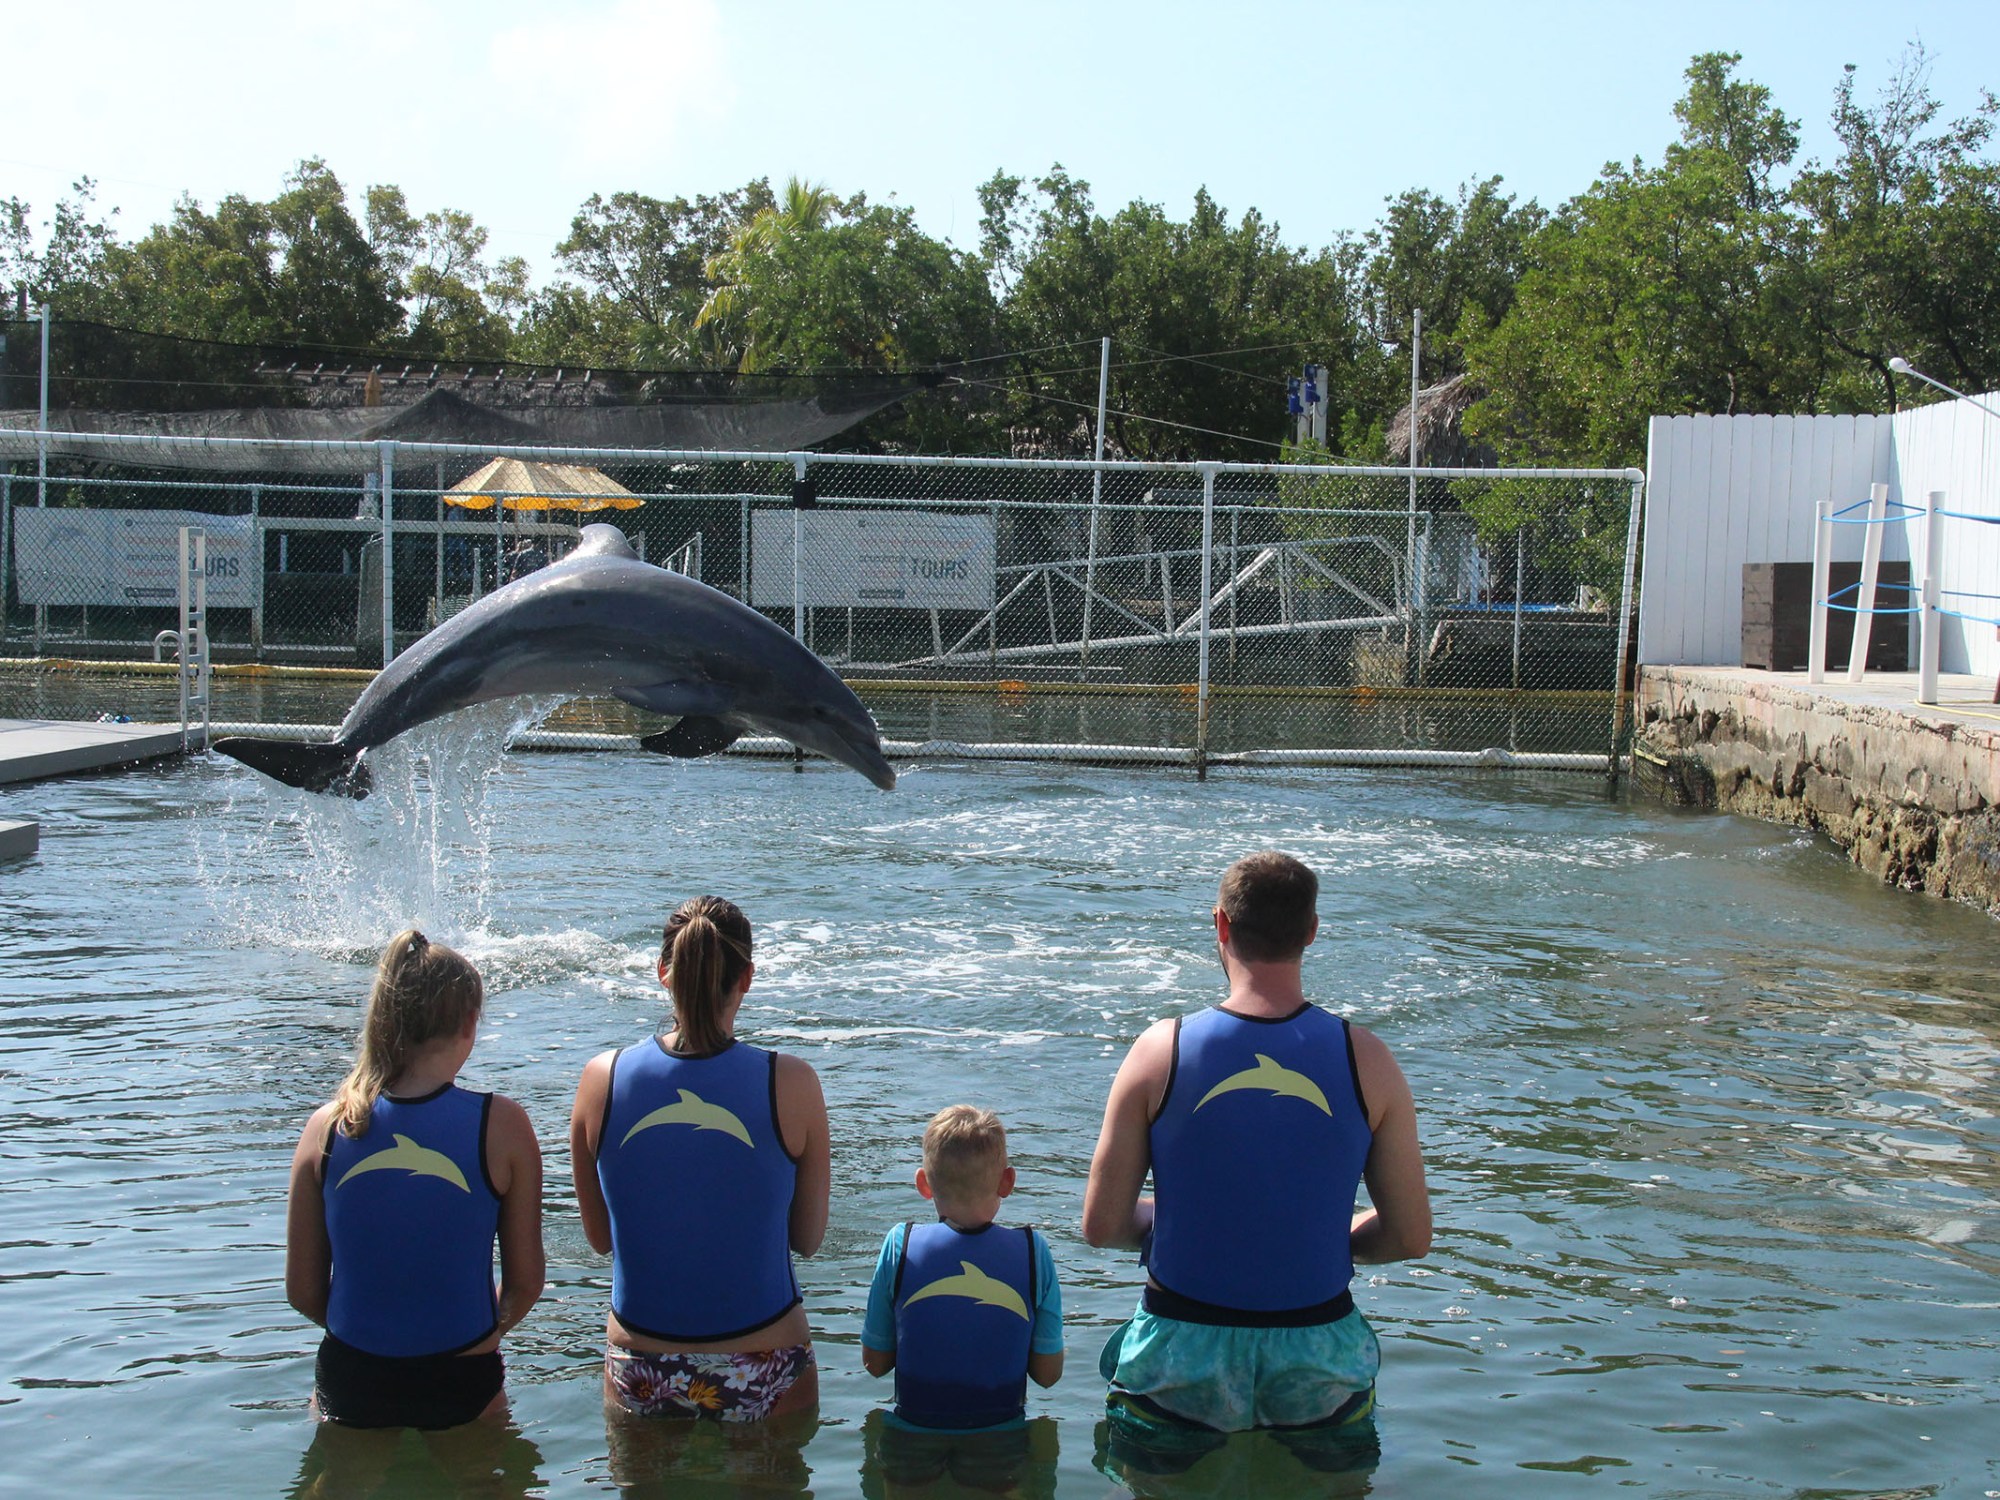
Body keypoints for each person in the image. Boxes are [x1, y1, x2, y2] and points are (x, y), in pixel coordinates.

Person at [1081, 851, 1432, 1436]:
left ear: (1220, 924)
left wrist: (1177, 1221)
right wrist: (1320, 1233)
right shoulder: (1368, 1060)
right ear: (1313, 931)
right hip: (1318, 1351)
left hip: (1180, 1347)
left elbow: (1101, 1225)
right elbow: (1411, 1236)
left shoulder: (1158, 1051)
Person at [570, 895, 831, 1422]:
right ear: (747, 977)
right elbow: (806, 1240)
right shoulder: (792, 1083)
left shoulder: (603, 1079)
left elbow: (601, 1241)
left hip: (642, 1365)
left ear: (663, 973)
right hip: (765, 1363)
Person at [285, 929, 545, 1431]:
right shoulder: (502, 1125)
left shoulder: (327, 1127)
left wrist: (379, 1341)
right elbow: (526, 1283)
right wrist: (478, 1336)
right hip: (463, 1373)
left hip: (353, 1374)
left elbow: (301, 1290)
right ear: (470, 1023)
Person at [862, 1105, 1064, 1428]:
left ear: (923, 1184)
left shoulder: (900, 1245)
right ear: (1008, 1181)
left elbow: (875, 1363)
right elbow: (1048, 1375)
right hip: (1001, 1442)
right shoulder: (1033, 1252)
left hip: (914, 1438)